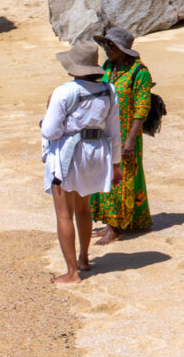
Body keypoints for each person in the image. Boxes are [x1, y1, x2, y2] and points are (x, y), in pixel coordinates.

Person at [40, 40, 118, 284]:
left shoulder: (65, 92)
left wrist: (43, 120)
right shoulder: (108, 90)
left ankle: (72, 272)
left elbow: (51, 131)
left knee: (64, 214)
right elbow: (114, 131)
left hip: (69, 155)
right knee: (83, 209)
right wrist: (116, 165)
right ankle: (84, 258)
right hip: (96, 153)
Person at [91, 26, 153, 243]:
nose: (106, 49)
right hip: (107, 133)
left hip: (127, 135)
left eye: (110, 45)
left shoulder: (139, 72)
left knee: (122, 179)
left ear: (121, 48)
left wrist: (130, 140)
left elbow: (142, 108)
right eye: (105, 44)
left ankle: (116, 227)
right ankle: (111, 222)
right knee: (107, 176)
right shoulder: (108, 67)